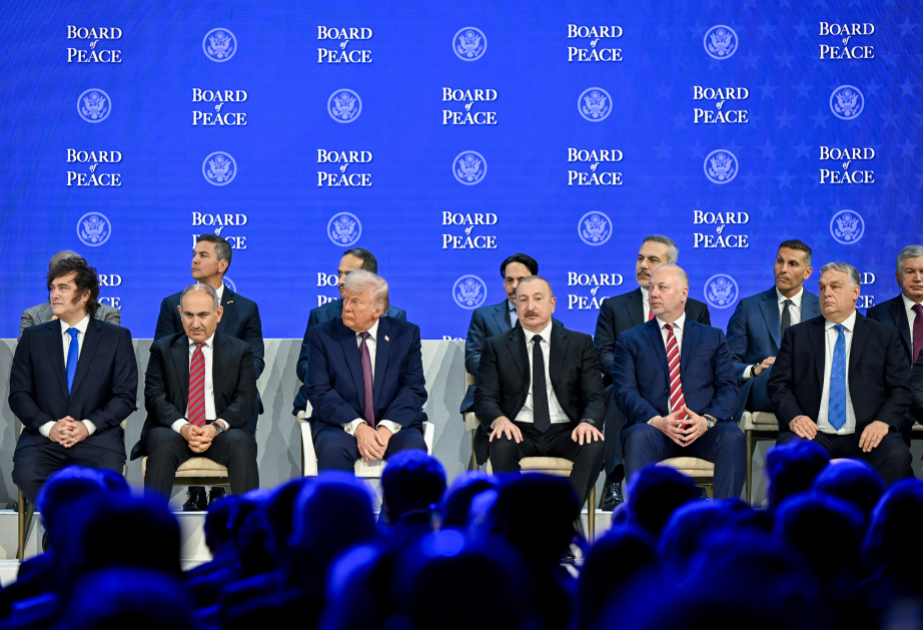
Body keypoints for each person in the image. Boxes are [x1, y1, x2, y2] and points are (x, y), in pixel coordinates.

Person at [768, 262, 912, 485]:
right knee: (789, 455)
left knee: (896, 455)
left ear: (855, 292)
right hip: (812, 433)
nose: (827, 293)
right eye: (822, 287)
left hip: (866, 434)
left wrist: (883, 422)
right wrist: (795, 416)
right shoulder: (797, 335)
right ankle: (801, 509)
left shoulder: (884, 336)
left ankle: (878, 509)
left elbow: (901, 389)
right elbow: (778, 385)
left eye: (835, 287)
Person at [595, 235, 711, 510]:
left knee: (697, 393)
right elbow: (603, 354)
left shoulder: (695, 309)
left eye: (653, 260)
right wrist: (636, 376)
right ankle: (614, 481)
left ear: (671, 267)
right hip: (629, 386)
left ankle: (690, 483)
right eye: (640, 258)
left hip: (678, 388)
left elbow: (702, 359)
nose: (643, 265)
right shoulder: (614, 307)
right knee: (618, 393)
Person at [9, 257, 137, 503]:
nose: (54, 295)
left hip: (97, 438)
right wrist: (49, 427)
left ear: (85, 294)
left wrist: (87, 426)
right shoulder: (33, 338)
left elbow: (124, 397)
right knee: (27, 473)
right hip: (44, 440)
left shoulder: (116, 338)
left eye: (63, 288)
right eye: (52, 288)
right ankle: (65, 521)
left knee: (107, 480)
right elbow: (19, 395)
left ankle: (76, 523)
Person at [614, 264, 745, 500]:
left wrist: (707, 420)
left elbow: (728, 389)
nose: (653, 294)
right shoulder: (630, 339)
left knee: (732, 436)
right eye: (651, 288)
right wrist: (658, 421)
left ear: (683, 293)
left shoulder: (713, 337)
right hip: (654, 430)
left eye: (662, 287)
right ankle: (643, 519)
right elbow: (625, 392)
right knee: (637, 437)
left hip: (701, 430)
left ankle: (723, 517)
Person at [155, 234, 264, 511]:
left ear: (222, 264)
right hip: (183, 407)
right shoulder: (172, 304)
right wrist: (184, 424)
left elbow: (255, 359)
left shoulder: (246, 308)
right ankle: (163, 516)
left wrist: (233, 376)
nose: (195, 260)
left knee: (240, 438)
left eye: (203, 255)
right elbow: (162, 363)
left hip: (229, 406)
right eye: (194, 254)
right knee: (162, 439)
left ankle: (236, 511)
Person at [474, 275, 606, 503]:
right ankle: (515, 517)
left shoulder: (580, 344)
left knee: (593, 444)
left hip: (567, 431)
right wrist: (500, 420)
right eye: (523, 300)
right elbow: (484, 397)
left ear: (552, 304)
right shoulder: (496, 346)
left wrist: (588, 422)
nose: (530, 306)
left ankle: (565, 515)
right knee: (501, 443)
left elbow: (595, 397)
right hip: (518, 429)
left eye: (537, 298)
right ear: (516, 305)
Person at [133, 283, 259, 497]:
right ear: (180, 313)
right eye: (189, 315)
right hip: (176, 429)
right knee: (161, 441)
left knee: (241, 443)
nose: (195, 323)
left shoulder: (239, 350)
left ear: (218, 314)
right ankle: (152, 517)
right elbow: (154, 397)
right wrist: (183, 427)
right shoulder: (162, 349)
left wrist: (216, 427)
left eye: (203, 315)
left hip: (222, 430)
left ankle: (248, 517)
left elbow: (246, 399)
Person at [307, 270, 427, 471]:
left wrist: (386, 429)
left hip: (394, 424)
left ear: (377, 310)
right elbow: (319, 390)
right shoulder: (322, 335)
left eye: (356, 302)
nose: (346, 308)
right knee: (332, 451)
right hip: (339, 424)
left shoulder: (406, 334)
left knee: (413, 453)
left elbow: (413, 388)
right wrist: (359, 428)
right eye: (345, 299)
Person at [462, 254, 554, 465]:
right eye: (509, 280)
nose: (514, 286)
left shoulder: (553, 323)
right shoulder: (484, 316)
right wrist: (508, 375)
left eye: (521, 279)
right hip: (494, 393)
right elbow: (473, 359)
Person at [294, 248, 407, 416]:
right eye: (340, 274)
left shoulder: (394, 317)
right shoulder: (321, 316)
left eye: (348, 275)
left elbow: (400, 372)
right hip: (328, 403)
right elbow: (303, 367)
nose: (340, 281)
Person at [726, 240, 820, 420]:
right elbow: (727, 364)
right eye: (780, 261)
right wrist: (755, 369)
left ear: (807, 272)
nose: (783, 269)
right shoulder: (748, 307)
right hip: (764, 388)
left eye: (792, 264)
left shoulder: (821, 309)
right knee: (777, 368)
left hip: (806, 387)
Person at [867, 244, 923, 446]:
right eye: (910, 271)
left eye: (922, 271)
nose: (918, 278)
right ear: (898, 278)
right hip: (896, 397)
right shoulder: (878, 315)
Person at [19, 250, 121, 338]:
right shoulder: (32, 316)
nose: (55, 295)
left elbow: (111, 350)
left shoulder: (107, 314)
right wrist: (52, 329)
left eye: (64, 287)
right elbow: (26, 352)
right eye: (54, 287)